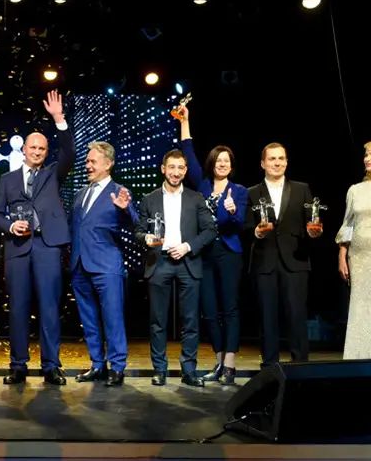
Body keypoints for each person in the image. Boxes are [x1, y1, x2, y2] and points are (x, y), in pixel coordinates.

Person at [0, 89, 75, 386]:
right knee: (18, 308)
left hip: (47, 246)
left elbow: (69, 152)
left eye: (42, 148)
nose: (37, 152)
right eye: (33, 147)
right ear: (24, 149)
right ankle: (18, 365)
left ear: (46, 152)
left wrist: (58, 118)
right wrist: (9, 226)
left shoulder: (54, 173)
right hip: (17, 249)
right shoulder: (7, 180)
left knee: (50, 307)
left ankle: (51, 366)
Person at [177, 105, 248, 385]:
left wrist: (232, 210)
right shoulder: (203, 185)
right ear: (212, 163)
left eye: (226, 161)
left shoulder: (239, 191)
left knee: (230, 308)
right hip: (204, 253)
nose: (222, 164)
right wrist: (185, 121)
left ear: (231, 165)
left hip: (229, 253)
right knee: (209, 309)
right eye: (218, 160)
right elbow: (188, 151)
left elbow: (239, 223)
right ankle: (218, 361)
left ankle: (229, 364)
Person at [135, 149, 217, 387]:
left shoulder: (196, 198)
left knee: (190, 321)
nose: (176, 172)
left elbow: (210, 230)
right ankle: (159, 370)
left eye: (181, 167)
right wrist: (146, 238)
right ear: (163, 169)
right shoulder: (149, 199)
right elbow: (138, 231)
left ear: (185, 170)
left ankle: (189, 371)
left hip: (187, 262)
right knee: (158, 321)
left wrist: (188, 246)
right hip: (159, 262)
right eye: (172, 167)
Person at [244, 142, 322, 367]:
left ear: (287, 162)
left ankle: (301, 367)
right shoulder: (251, 193)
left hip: (295, 261)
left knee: (297, 316)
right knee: (267, 318)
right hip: (264, 262)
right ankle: (270, 369)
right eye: (272, 159)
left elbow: (312, 221)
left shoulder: (301, 189)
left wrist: (314, 233)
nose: (277, 163)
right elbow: (245, 227)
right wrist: (256, 232)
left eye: (281, 158)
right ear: (262, 163)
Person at [71, 141, 138, 387]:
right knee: (89, 319)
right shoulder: (80, 194)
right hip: (80, 265)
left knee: (113, 318)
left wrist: (125, 209)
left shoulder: (119, 192)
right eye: (87, 161)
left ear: (108, 164)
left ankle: (117, 367)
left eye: (92, 161)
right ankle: (97, 365)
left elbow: (135, 223)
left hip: (107, 266)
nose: (87, 165)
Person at [336, 136, 371, 360]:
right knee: (361, 306)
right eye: (366, 154)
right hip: (359, 256)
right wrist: (342, 255)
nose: (367, 158)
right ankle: (359, 357)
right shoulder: (355, 190)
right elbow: (348, 225)